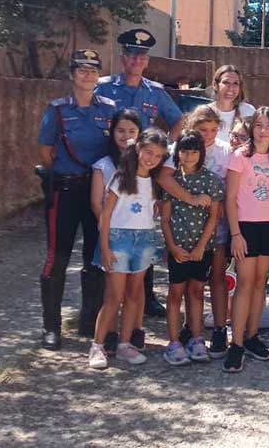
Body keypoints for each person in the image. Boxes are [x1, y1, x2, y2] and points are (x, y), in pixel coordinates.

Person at [95, 28, 185, 318]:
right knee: (106, 231)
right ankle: (101, 302)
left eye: (142, 55)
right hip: (110, 168)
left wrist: (164, 153)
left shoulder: (155, 92)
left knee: (143, 230)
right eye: (132, 54)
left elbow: (178, 121)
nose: (136, 59)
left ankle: (145, 298)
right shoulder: (103, 87)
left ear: (147, 60)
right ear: (123, 57)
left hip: (144, 174)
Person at [37, 49, 117, 350]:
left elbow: (117, 143)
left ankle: (88, 321)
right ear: (72, 74)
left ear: (99, 76)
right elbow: (45, 150)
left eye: (93, 70)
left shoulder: (109, 108)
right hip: (65, 192)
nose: (87, 75)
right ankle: (51, 328)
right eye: (81, 70)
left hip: (97, 191)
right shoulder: (57, 110)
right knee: (56, 257)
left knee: (95, 257)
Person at [88, 128, 168, 369]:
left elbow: (153, 209)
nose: (151, 159)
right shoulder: (121, 177)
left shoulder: (154, 181)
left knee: (135, 294)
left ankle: (124, 344)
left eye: (157, 156)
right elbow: (107, 214)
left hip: (144, 240)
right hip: (118, 240)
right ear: (138, 149)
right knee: (114, 297)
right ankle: (98, 346)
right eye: (148, 152)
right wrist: (105, 248)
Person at [159, 105, 233, 357]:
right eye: (203, 129)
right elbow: (164, 180)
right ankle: (188, 332)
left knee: (214, 278)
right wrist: (191, 199)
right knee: (182, 285)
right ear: (192, 128)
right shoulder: (178, 150)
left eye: (213, 129)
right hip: (183, 225)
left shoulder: (224, 149)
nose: (209, 135)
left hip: (214, 224)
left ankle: (219, 329)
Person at [224, 107, 269, 373]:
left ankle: (252, 336)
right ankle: (235, 344)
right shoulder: (240, 156)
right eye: (258, 125)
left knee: (261, 283)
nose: (263, 130)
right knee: (245, 285)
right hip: (246, 228)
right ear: (252, 129)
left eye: (268, 126)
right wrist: (236, 234)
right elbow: (229, 198)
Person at [90, 109, 146, 355]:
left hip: (140, 235)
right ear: (112, 132)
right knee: (113, 292)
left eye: (132, 131)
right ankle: (107, 336)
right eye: (121, 131)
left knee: (137, 288)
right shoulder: (104, 166)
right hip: (113, 235)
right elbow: (96, 204)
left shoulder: (145, 165)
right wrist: (108, 233)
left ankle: (133, 331)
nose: (126, 136)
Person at [209, 65, 256, 144]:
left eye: (235, 83)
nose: (231, 88)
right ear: (215, 85)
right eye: (226, 82)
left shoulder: (248, 111)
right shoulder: (206, 112)